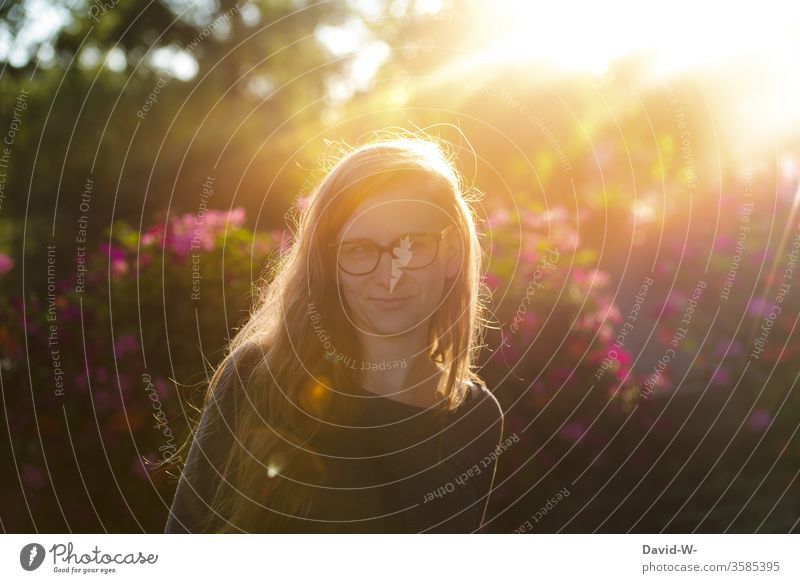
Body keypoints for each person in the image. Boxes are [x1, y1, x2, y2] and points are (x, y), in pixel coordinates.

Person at [164, 131, 504, 533]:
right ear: (331, 264)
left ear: (452, 254)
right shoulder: (258, 378)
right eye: (360, 248)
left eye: (412, 245)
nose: (388, 278)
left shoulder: (477, 420)